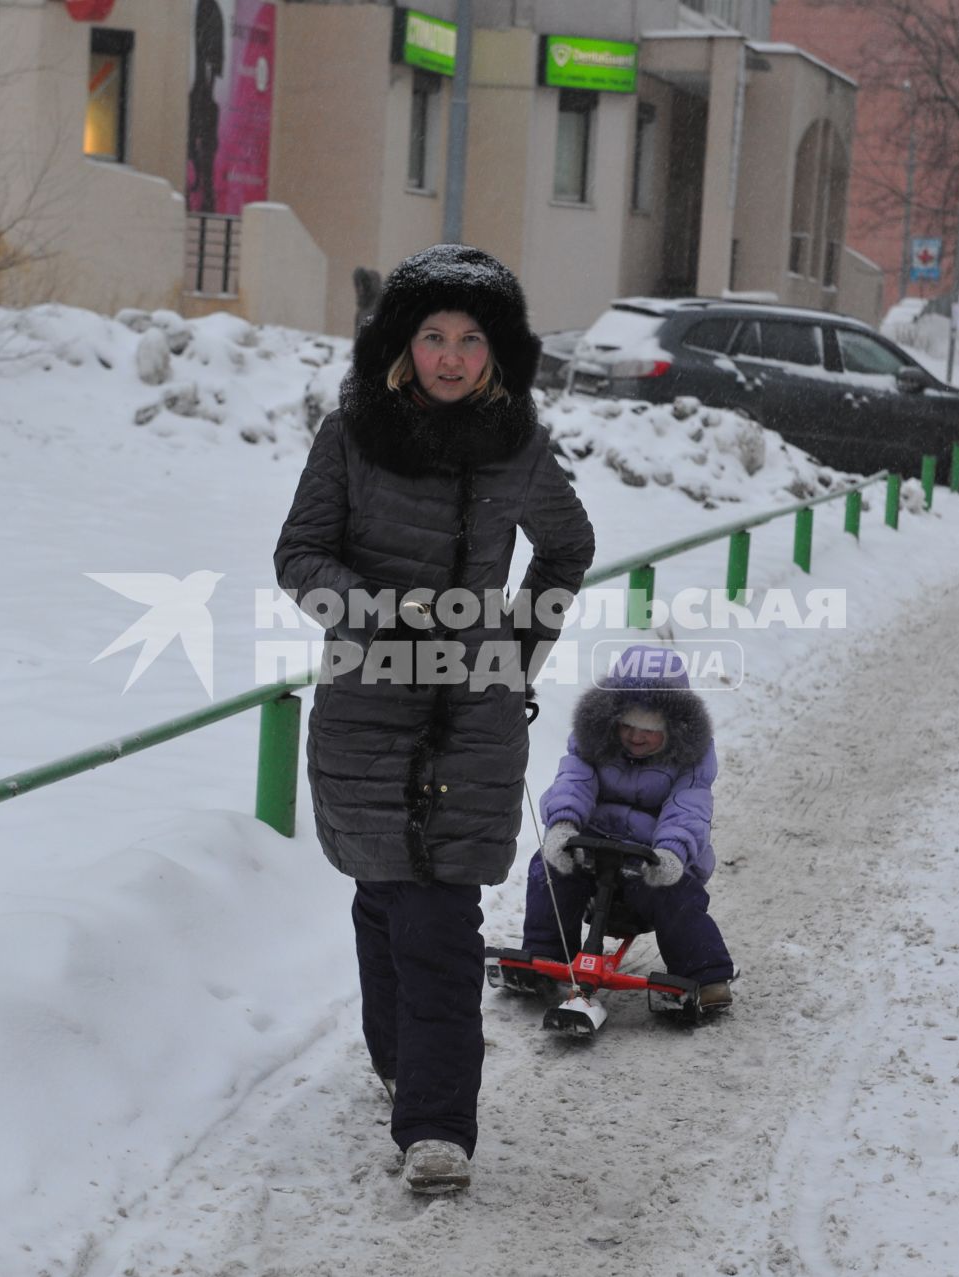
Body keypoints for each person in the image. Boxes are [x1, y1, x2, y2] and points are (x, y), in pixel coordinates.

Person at [274, 244, 595, 1195]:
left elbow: (567, 546)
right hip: (367, 702)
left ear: (497, 354)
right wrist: (377, 608)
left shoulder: (520, 447)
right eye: (432, 337)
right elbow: (300, 557)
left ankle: (437, 1123)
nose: (451, 357)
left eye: (470, 339)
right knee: (384, 890)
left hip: (473, 709)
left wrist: (519, 644)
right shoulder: (348, 437)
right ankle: (397, 1058)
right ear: (401, 346)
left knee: (442, 910)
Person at [519, 644, 736, 1010]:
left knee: (678, 899)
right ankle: (544, 955)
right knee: (548, 868)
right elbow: (574, 781)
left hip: (652, 859)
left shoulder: (691, 760)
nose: (636, 736)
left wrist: (670, 853)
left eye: (649, 729)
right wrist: (564, 824)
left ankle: (706, 975)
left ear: (673, 726)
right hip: (592, 848)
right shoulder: (594, 743)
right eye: (627, 725)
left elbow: (688, 808)